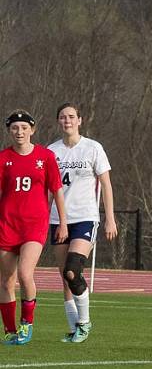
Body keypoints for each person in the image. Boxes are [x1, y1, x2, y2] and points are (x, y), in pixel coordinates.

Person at [48, 103, 117, 343]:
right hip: (58, 219)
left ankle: (85, 323)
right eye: (62, 117)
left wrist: (110, 218)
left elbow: (106, 184)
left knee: (72, 269)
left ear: (80, 120)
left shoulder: (92, 148)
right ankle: (73, 327)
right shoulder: (51, 151)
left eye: (71, 117)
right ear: (58, 121)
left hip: (85, 217)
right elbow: (46, 190)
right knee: (64, 276)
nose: (67, 121)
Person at [0, 110, 68, 345]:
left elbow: (57, 190)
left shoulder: (45, 156)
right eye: (15, 128)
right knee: (6, 280)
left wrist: (63, 222)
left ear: (32, 129)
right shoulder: (3, 158)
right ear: (10, 131)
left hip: (34, 225)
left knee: (24, 274)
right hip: (7, 225)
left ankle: (26, 323)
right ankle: (9, 330)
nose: (19, 132)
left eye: (24, 128)